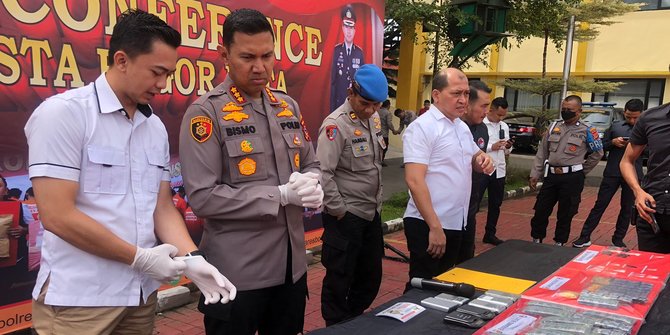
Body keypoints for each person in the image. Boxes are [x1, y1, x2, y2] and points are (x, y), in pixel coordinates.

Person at [24, 10, 235, 334]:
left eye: (169, 74)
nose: (163, 84)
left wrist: (193, 258)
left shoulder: (154, 128)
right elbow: (57, 215)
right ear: (121, 60)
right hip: (80, 302)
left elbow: (162, 207)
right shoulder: (64, 115)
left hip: (140, 296)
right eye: (156, 72)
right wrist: (140, 258)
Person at [178, 8, 323, 334]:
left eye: (267, 56)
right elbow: (203, 197)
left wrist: (314, 182)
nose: (260, 67)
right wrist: (280, 195)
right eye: (247, 57)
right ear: (224, 55)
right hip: (237, 276)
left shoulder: (287, 106)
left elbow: (312, 162)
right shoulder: (206, 113)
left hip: (291, 270)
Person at [402, 68, 494, 291]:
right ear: (436, 94)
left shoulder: (460, 127)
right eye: (456, 94)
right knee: (423, 287)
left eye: (465, 94)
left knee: (445, 284)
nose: (463, 100)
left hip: (456, 221)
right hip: (429, 223)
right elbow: (414, 180)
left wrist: (483, 159)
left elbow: (472, 157)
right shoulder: (422, 128)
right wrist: (435, 227)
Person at [317, 64, 388, 326]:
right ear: (351, 92)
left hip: (371, 213)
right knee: (339, 277)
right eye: (365, 103)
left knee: (371, 277)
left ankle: (353, 320)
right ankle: (335, 326)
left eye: (376, 105)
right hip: (346, 216)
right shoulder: (335, 126)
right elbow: (324, 173)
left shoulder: (374, 119)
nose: (370, 110)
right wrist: (340, 211)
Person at [529, 95, 604, 246]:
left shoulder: (588, 130)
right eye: (563, 109)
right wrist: (535, 173)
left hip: (572, 178)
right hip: (551, 175)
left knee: (566, 213)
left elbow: (598, 153)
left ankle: (559, 243)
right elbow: (542, 151)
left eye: (569, 110)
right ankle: (536, 239)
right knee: (541, 210)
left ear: (579, 111)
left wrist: (582, 171)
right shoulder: (553, 126)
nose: (565, 112)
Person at [573, 99, 644, 249]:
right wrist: (612, 142)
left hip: (633, 175)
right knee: (600, 205)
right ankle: (584, 236)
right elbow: (600, 146)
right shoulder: (615, 126)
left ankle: (618, 239)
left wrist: (636, 146)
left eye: (635, 117)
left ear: (641, 115)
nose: (632, 120)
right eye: (629, 116)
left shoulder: (646, 129)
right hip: (612, 173)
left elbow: (652, 152)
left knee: (627, 208)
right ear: (624, 112)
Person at [621, 101, 670, 253]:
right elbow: (626, 161)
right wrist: (638, 191)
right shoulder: (650, 118)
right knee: (648, 273)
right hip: (652, 213)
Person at [460, 80, 492, 258]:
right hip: (448, 209)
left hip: (471, 204)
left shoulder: (482, 130)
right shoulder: (452, 128)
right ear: (468, 104)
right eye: (484, 106)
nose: (486, 112)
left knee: (466, 257)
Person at [480, 97, 512, 245]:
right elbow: (474, 146)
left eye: (503, 115)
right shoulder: (480, 124)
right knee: (475, 203)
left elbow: (506, 151)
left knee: (496, 204)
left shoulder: (503, 126)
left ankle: (490, 233)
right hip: (482, 169)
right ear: (491, 109)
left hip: (499, 170)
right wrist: (491, 147)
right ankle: (467, 233)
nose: (500, 118)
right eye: (498, 114)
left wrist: (508, 146)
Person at [330, 5, 365, 112]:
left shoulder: (359, 53)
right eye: (346, 27)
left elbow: (362, 81)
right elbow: (333, 82)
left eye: (351, 27)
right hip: (339, 103)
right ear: (342, 28)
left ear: (355, 30)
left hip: (354, 105)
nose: (349, 31)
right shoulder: (336, 51)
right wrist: (332, 109)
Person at [378, 100, 394, 166]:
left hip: (376, 133)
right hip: (384, 134)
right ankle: (381, 160)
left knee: (377, 147)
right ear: (388, 105)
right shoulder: (388, 113)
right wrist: (393, 130)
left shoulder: (377, 111)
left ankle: (377, 159)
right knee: (384, 147)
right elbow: (389, 123)